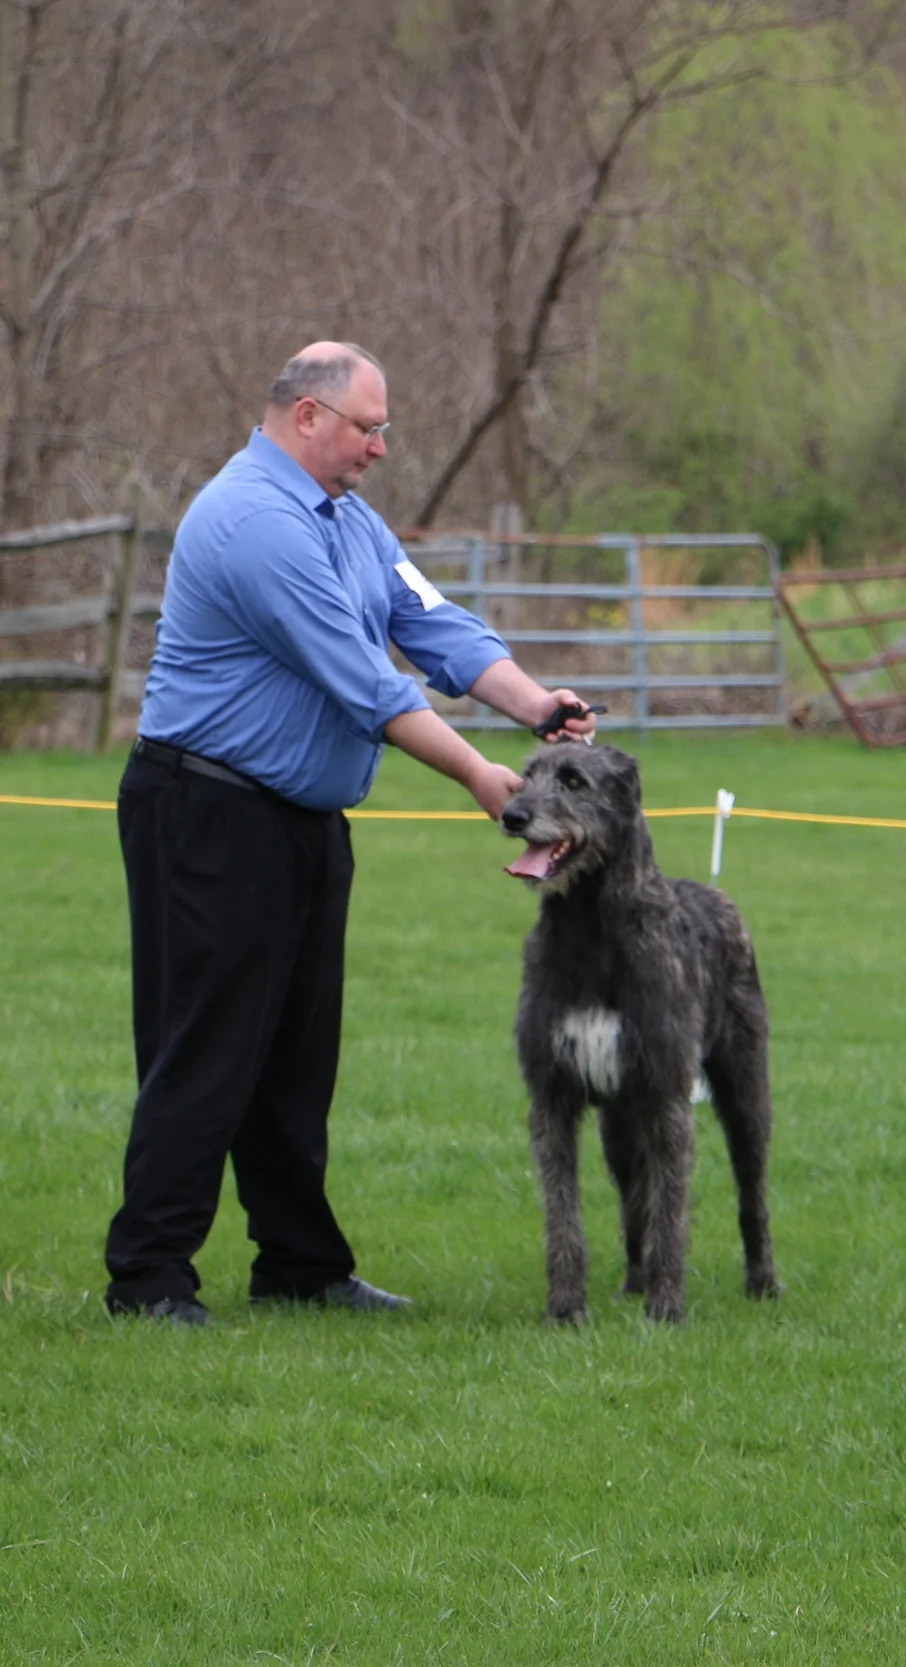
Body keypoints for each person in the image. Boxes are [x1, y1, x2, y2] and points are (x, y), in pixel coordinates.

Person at [105, 340, 597, 1326]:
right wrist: (475, 771)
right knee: (206, 1043)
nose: (380, 446)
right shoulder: (252, 522)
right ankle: (149, 1275)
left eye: (382, 430)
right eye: (368, 427)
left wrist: (532, 702)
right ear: (307, 418)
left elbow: (431, 623)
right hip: (207, 810)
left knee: (296, 1051)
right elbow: (364, 682)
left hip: (300, 818)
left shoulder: (349, 523)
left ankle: (297, 1263)